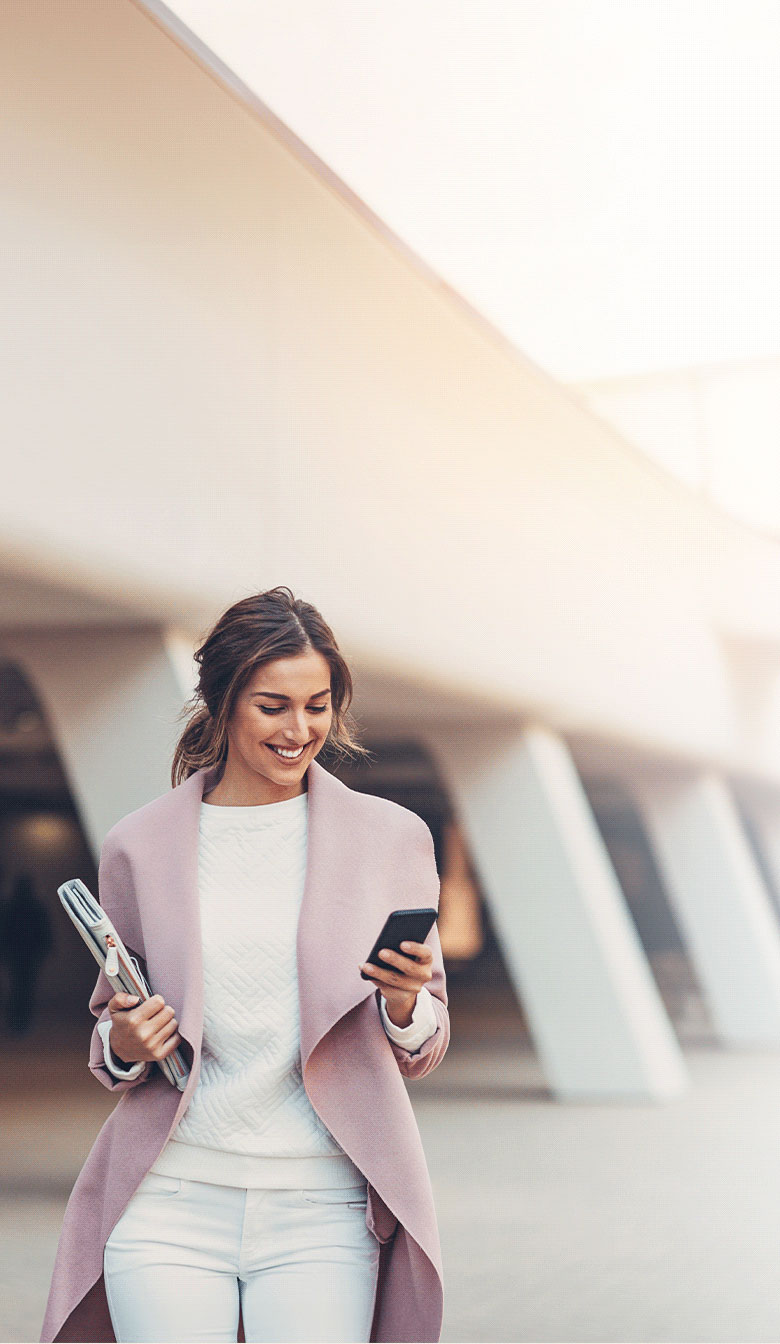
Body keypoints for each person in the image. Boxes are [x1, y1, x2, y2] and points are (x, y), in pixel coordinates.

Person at [40, 586, 450, 1344]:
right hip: (168, 1199)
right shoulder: (141, 844)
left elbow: (423, 1039)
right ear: (222, 703)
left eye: (319, 705)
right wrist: (126, 1045)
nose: (301, 730)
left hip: (322, 1206)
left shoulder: (390, 838)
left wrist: (403, 1003)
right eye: (273, 707)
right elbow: (111, 1024)